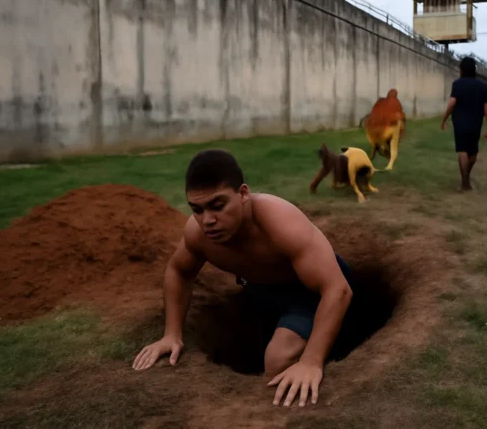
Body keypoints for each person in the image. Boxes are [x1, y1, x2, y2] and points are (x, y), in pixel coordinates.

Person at [132, 150, 354, 409]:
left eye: (218, 205)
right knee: (246, 337)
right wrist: (172, 334)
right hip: (262, 290)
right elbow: (179, 271)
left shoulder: (279, 220)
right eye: (197, 209)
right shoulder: (198, 234)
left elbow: (337, 288)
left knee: (277, 360)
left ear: (243, 194)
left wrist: (311, 361)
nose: (208, 220)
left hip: (310, 292)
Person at [440, 56, 487, 191]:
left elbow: (452, 104)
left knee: (462, 151)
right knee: (473, 152)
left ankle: (465, 181)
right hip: (476, 123)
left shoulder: (457, 84)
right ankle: (466, 178)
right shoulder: (484, 86)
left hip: (460, 123)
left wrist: (444, 119)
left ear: (462, 70)